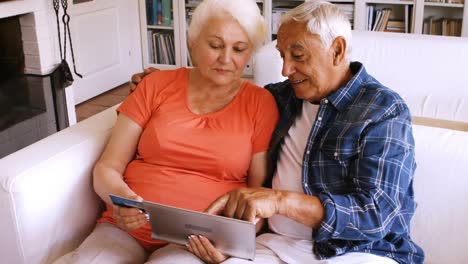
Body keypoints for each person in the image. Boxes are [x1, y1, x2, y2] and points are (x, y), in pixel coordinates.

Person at [132, 1, 425, 263]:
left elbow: (377, 213)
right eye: (282, 55)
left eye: (298, 55)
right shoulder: (282, 97)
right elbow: (225, 94)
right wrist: (164, 83)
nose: (285, 69)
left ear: (337, 50)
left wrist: (279, 200)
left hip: (358, 250)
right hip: (275, 246)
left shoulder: (383, 110)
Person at [52, 0, 279, 263]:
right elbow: (107, 167)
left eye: (239, 49)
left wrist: (230, 247)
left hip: (198, 242)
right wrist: (123, 201)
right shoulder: (155, 85)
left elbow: (257, 196)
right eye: (215, 45)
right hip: (126, 229)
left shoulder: (260, 103)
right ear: (192, 42)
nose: (226, 59)